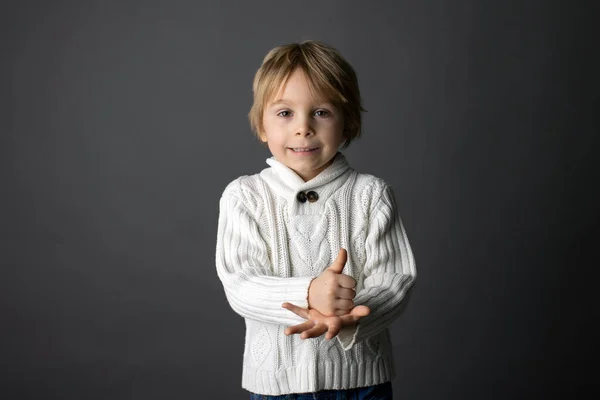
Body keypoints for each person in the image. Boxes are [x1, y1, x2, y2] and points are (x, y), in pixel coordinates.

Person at [215, 40, 416, 399]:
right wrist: (309, 293)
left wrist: (351, 313)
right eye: (284, 113)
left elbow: (394, 278)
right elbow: (241, 282)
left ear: (347, 121)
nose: (303, 128)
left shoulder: (370, 194)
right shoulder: (244, 196)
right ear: (262, 124)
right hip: (277, 384)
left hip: (361, 381)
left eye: (321, 112)